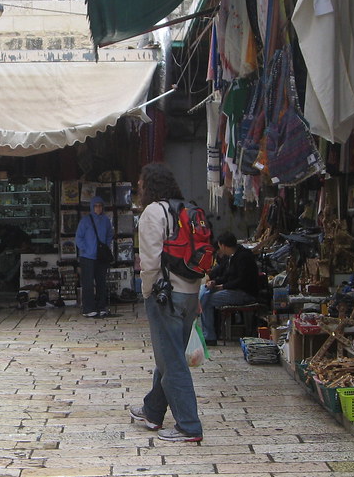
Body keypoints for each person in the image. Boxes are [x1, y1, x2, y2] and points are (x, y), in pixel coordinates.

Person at [128, 162, 204, 443]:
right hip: (190, 293)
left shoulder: (152, 212)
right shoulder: (186, 208)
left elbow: (149, 262)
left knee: (172, 362)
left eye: (140, 184)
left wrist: (147, 294)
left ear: (149, 186)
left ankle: (189, 426)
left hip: (165, 295)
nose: (138, 188)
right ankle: (153, 411)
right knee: (169, 355)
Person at [199, 231, 261, 345]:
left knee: (207, 300)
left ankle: (209, 336)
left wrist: (222, 286)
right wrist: (215, 282)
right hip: (234, 290)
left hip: (245, 293)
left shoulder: (243, 257)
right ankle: (208, 333)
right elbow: (227, 275)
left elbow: (242, 280)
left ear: (223, 245)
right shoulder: (233, 256)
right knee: (204, 292)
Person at [75, 196, 113, 317]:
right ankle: (88, 308)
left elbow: (109, 235)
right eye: (96, 206)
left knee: (101, 282)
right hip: (87, 257)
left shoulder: (106, 220)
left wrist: (104, 247)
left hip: (100, 257)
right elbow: (78, 237)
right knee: (88, 283)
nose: (98, 208)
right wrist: (86, 249)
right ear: (92, 207)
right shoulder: (85, 221)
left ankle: (101, 306)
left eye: (100, 205)